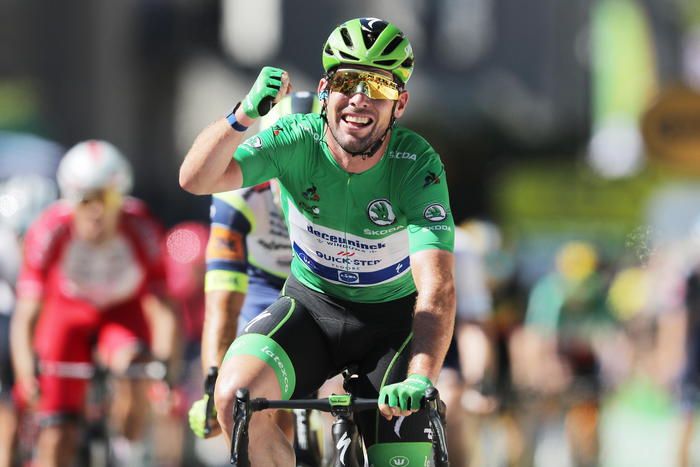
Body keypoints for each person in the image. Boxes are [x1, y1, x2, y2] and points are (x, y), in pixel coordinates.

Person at [180, 17, 456, 465]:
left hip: (390, 326)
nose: (359, 98)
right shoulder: (296, 139)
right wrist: (244, 114)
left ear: (400, 104)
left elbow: (437, 286)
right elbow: (196, 179)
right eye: (347, 82)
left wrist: (421, 376)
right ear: (326, 89)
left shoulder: (416, 164)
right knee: (235, 398)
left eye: (378, 86)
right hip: (311, 308)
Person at [10, 140, 178, 466]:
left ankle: (127, 444)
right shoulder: (49, 230)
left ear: (122, 198)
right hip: (68, 313)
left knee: (135, 365)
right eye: (86, 199)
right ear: (70, 200)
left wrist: (165, 371)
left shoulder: (141, 225)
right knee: (57, 434)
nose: (97, 211)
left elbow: (164, 309)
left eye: (107, 198)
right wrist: (26, 372)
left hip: (122, 310)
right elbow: (27, 313)